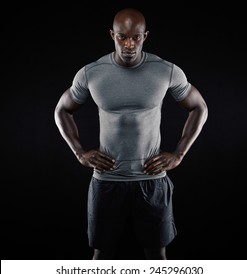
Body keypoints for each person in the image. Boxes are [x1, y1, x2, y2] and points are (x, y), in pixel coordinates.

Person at [54, 7, 208, 260]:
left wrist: (179, 154)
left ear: (145, 36)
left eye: (135, 37)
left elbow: (199, 106)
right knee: (101, 257)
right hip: (107, 181)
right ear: (111, 35)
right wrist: (80, 152)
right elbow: (62, 110)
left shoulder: (166, 70)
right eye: (121, 36)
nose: (128, 44)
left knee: (157, 258)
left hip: (152, 179)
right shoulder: (91, 73)